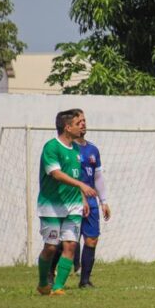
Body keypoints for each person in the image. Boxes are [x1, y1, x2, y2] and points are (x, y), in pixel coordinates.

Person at [36, 109, 97, 296]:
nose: (83, 126)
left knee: (70, 245)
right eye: (79, 123)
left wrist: (82, 198)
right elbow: (56, 173)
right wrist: (81, 185)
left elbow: (75, 175)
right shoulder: (51, 147)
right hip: (51, 205)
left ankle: (58, 287)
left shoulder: (78, 150)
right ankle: (42, 281)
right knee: (51, 247)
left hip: (74, 205)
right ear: (67, 127)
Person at [49, 111, 110, 288]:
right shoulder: (68, 149)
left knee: (91, 240)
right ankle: (51, 274)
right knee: (67, 241)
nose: (83, 124)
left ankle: (85, 280)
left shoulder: (93, 149)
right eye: (79, 121)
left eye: (84, 120)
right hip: (72, 199)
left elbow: (98, 177)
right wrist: (80, 197)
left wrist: (103, 201)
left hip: (91, 200)